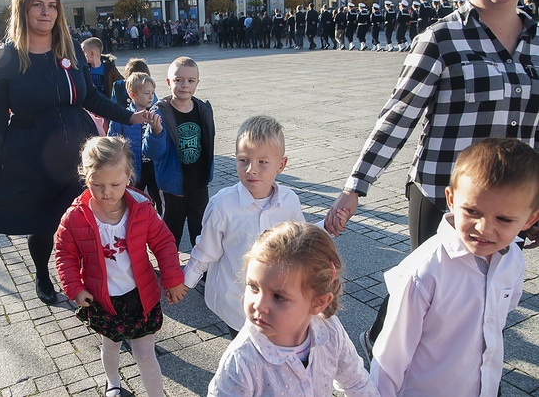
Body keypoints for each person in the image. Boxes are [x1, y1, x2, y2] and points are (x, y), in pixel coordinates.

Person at [324, 0, 539, 358]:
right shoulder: (442, 39)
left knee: (485, 286)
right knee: (426, 283)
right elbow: (397, 118)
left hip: (512, 199)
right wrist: (354, 189)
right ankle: (383, 344)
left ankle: (467, 363)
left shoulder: (538, 42)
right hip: (445, 194)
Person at [0, 0, 150, 305]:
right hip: (32, 154)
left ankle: (98, 286)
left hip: (79, 151)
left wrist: (129, 116)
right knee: (42, 223)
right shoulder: (5, 60)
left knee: (89, 219)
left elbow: (90, 98)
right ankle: (43, 274)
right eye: (38, 5)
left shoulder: (70, 51)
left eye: (52, 6)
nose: (46, 12)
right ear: (23, 9)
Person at [370, 138, 539, 396]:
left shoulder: (512, 259)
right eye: (472, 211)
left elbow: (500, 316)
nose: (484, 228)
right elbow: (389, 357)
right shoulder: (425, 271)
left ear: (530, 219)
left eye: (504, 219)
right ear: (451, 198)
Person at [54, 136, 185, 397]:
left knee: (145, 353)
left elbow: (163, 241)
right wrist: (75, 289)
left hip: (140, 296)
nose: (107, 193)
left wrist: (172, 278)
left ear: (129, 176)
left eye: (115, 184)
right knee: (110, 345)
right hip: (103, 298)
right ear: (85, 177)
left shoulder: (142, 208)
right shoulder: (75, 217)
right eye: (97, 184)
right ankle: (112, 382)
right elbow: (64, 254)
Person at [208, 222, 379, 397]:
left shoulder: (330, 331)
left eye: (278, 297)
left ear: (319, 302)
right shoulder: (242, 360)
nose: (259, 305)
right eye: (253, 287)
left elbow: (356, 382)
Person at [182, 116, 306, 337]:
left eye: (262, 162)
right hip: (235, 301)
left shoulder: (289, 201)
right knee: (244, 348)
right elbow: (207, 248)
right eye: (243, 160)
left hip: (275, 299)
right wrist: (186, 281)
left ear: (281, 165)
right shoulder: (223, 205)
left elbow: (300, 240)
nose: (251, 169)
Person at [144, 56, 214, 249]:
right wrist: (156, 133)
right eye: (178, 80)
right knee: (170, 234)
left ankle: (202, 271)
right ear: (168, 82)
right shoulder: (160, 113)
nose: (185, 85)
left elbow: (208, 142)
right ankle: (170, 272)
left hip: (199, 185)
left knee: (201, 232)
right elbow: (151, 153)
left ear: (197, 83)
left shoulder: (203, 109)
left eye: (190, 81)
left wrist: (209, 173)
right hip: (173, 187)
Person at [108, 72, 162, 214]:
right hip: (133, 167)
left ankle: (158, 223)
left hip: (153, 166)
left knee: (159, 200)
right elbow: (113, 144)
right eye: (146, 93)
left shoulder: (157, 115)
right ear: (133, 95)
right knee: (133, 199)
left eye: (153, 92)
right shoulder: (122, 117)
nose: (151, 96)